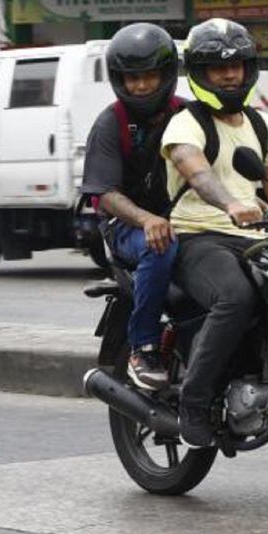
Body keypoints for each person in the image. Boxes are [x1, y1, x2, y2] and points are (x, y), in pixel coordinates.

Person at [160, 18, 268, 448]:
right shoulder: (185, 124)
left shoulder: (260, 125)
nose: (230, 74)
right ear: (199, 74)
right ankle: (194, 402)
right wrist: (231, 204)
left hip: (254, 239)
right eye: (218, 68)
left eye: (237, 65)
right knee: (234, 296)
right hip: (197, 237)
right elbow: (195, 170)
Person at [81, 23, 184, 391]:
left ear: (166, 75)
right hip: (127, 226)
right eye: (131, 78)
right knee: (161, 244)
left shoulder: (187, 116)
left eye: (149, 76)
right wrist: (146, 219)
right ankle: (144, 345)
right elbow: (105, 192)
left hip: (183, 218)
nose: (140, 86)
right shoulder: (112, 123)